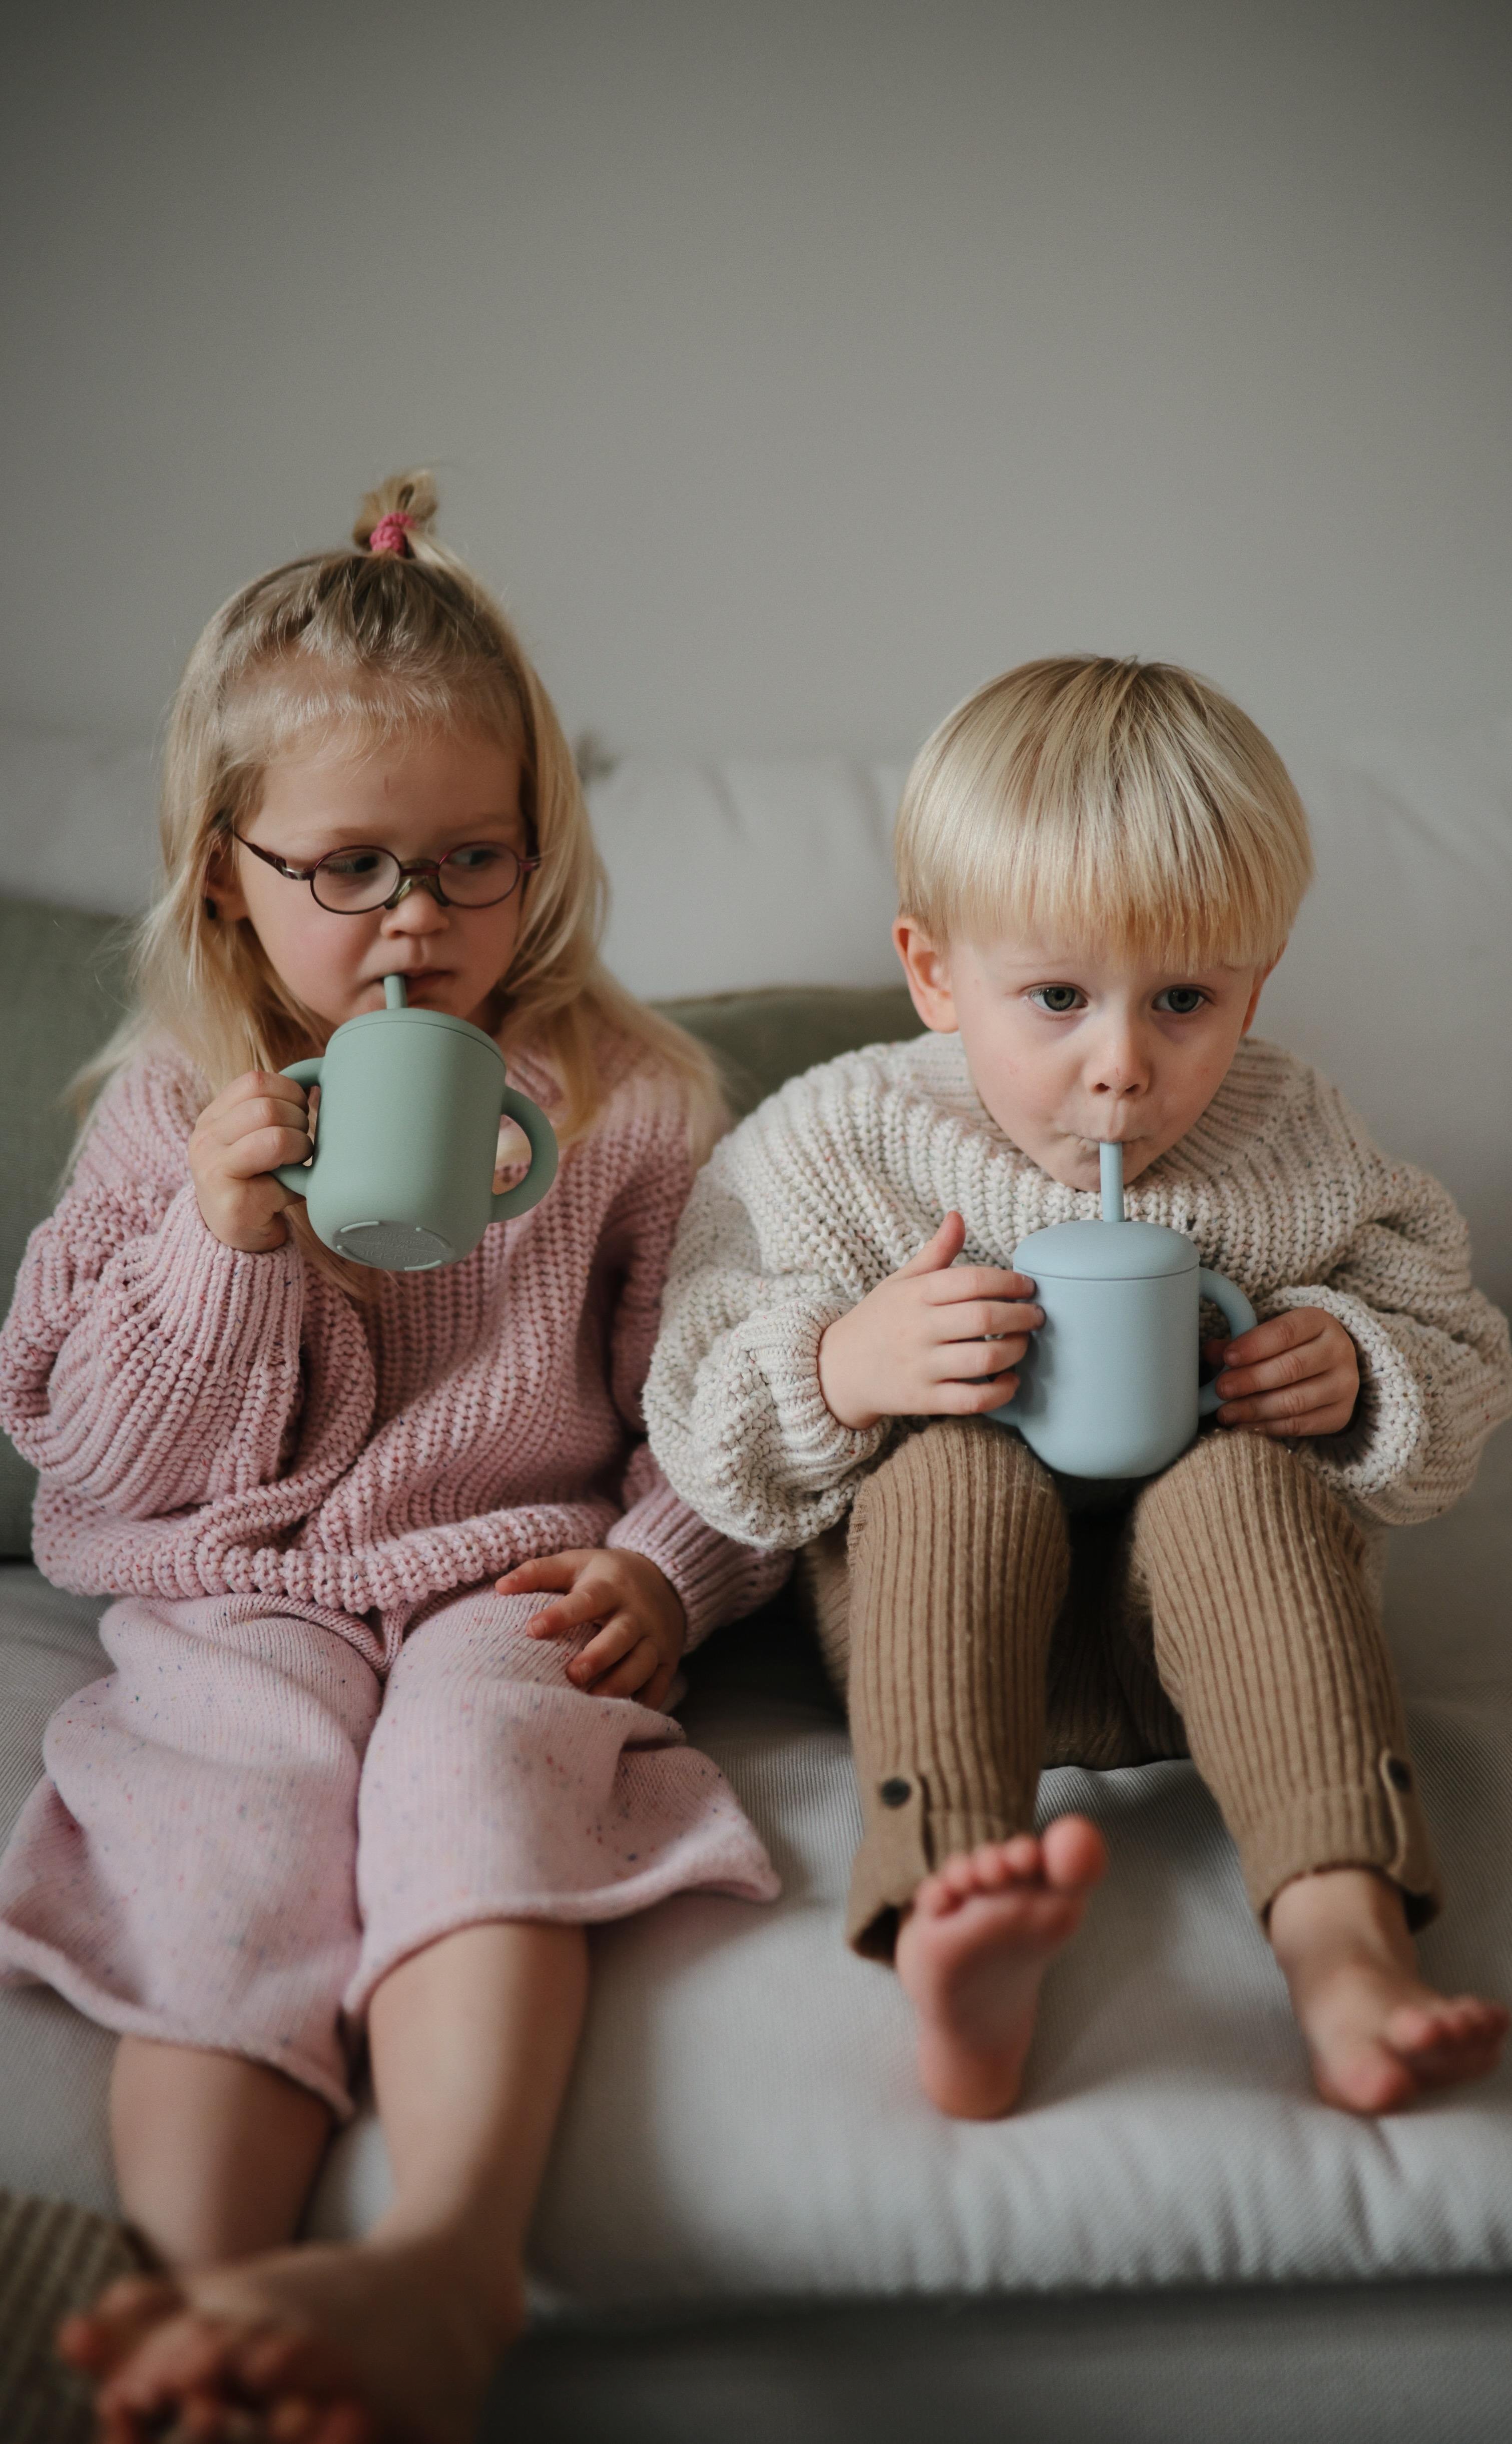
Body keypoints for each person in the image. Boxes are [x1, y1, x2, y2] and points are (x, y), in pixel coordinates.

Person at [0, 474, 784, 2442]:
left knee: (483, 1760)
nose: (415, 920)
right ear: (225, 876)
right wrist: (222, 1240)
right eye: (348, 867)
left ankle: (447, 2261)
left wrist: (667, 1570)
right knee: (227, 1820)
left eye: (468, 861)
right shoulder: (172, 1109)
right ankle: (201, 2311)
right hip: (238, 1582)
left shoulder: (628, 1104)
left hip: (504, 1558)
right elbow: (80, 1446)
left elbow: (727, 1393)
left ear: (539, 852)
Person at [646, 654, 1512, 2125]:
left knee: (1240, 1476)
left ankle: (1347, 1944)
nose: (1122, 1068)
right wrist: (843, 1367)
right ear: (935, 972)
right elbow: (692, 1406)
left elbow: (1461, 1341)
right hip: (955, 1635)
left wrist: (1353, 1366)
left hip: (1216, 1654)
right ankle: (953, 1922)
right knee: (949, 1465)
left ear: (1257, 981)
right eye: (1055, 997)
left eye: (1184, 999)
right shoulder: (838, 1144)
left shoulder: (1292, 1137)